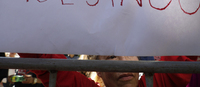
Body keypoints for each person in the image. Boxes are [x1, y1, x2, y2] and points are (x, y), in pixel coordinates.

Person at [18, 53, 197, 87]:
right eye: (111, 57)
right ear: (100, 72)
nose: (123, 62)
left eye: (129, 53)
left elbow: (184, 44)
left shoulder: (157, 82)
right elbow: (43, 59)